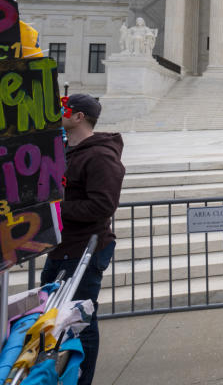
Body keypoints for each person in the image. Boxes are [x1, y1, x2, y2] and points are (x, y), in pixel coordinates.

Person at [41, 94, 125, 385]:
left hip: (86, 249)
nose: (58, 113)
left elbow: (103, 206)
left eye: (64, 109)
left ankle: (82, 378)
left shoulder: (101, 155)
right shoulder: (65, 151)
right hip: (61, 247)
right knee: (52, 317)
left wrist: (54, 207)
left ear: (78, 117)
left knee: (80, 321)